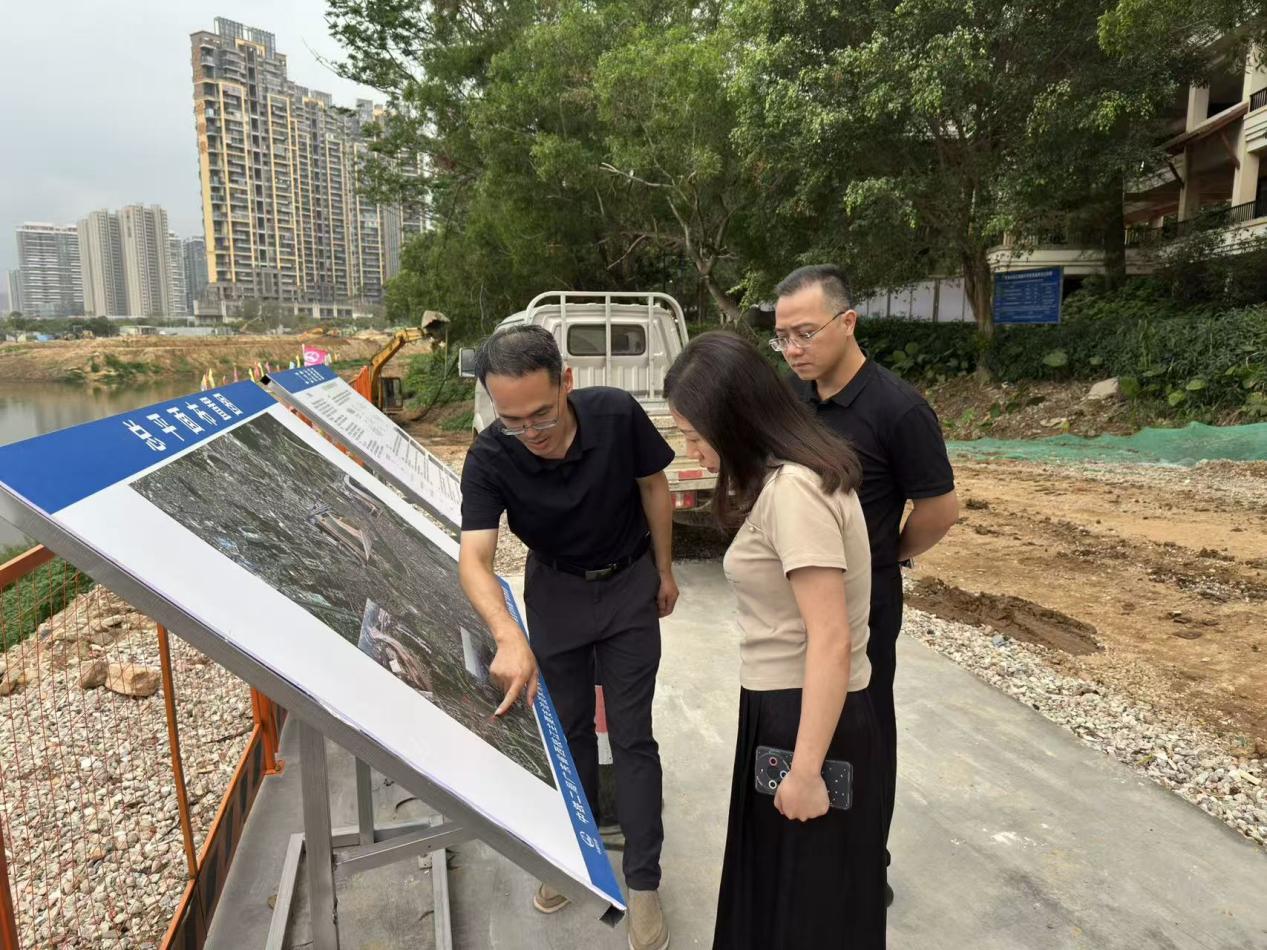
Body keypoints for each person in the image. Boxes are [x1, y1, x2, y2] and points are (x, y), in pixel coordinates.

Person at [457, 325, 677, 950]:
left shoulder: (616, 415)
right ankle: (573, 859)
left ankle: (643, 881)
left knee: (632, 736)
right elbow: (474, 559)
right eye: (512, 420)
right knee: (569, 732)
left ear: (567, 384)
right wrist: (508, 634)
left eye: (542, 414)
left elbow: (654, 488)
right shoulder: (491, 456)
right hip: (555, 593)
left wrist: (664, 570)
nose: (531, 431)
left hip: (629, 583)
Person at [665, 332, 886, 949]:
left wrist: (807, 769)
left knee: (804, 908)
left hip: (804, 714)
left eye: (695, 436)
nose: (692, 452)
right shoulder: (789, 480)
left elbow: (831, 637)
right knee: (789, 894)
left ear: (734, 421)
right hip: (789, 707)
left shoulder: (794, 492)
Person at [773, 264, 959, 906]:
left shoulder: (897, 409)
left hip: (865, 600)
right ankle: (808, 833)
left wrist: (887, 556)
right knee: (802, 718)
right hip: (800, 592)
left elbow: (939, 509)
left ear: (847, 322)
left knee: (863, 724)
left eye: (805, 333)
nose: (793, 349)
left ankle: (865, 863)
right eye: (782, 337)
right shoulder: (792, 398)